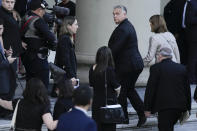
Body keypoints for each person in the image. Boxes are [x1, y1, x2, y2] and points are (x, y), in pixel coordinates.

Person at [108, 5, 146, 127]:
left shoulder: (123, 29)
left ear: (125, 14)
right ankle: (139, 114)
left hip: (128, 66)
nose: (114, 16)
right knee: (127, 90)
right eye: (113, 14)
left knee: (122, 90)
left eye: (117, 13)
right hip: (131, 65)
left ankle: (124, 117)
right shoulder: (126, 26)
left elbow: (114, 49)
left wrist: (104, 59)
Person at [144, 47, 191, 131]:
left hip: (164, 107)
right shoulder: (181, 68)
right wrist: (188, 108)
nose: (157, 57)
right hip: (179, 107)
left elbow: (150, 90)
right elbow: (187, 89)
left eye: (157, 55)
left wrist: (147, 108)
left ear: (160, 56)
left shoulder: (156, 68)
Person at [21, 0, 57, 89]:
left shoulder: (26, 17)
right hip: (38, 57)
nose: (44, 13)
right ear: (39, 10)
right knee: (42, 84)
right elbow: (51, 37)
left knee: (30, 82)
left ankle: (30, 100)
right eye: (43, 10)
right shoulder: (38, 20)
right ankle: (41, 101)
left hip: (27, 56)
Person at [89, 46, 121, 131]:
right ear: (108, 57)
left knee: (97, 126)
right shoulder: (109, 70)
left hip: (96, 102)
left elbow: (91, 84)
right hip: (108, 103)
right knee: (109, 127)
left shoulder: (92, 68)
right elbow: (117, 87)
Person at [0, 18, 17, 118]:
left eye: (1, 28)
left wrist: (5, 53)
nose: (0, 31)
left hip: (5, 77)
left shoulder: (1, 38)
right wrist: (7, 62)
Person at [55, 16, 78, 86]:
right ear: (69, 26)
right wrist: (71, 75)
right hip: (66, 76)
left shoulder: (67, 38)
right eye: (76, 24)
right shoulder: (65, 39)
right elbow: (65, 59)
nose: (77, 27)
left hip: (67, 75)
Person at [164, 0, 187, 65]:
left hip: (184, 32)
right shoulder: (176, 2)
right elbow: (166, 11)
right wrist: (172, 30)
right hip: (179, 33)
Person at [183, 0, 197, 84]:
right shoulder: (192, 3)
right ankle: (191, 78)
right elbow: (189, 19)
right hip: (194, 37)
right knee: (193, 58)